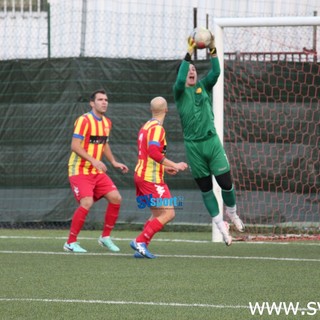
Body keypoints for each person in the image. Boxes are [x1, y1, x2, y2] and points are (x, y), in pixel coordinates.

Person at [172, 33, 245, 246]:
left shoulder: (202, 86)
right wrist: (188, 52)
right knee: (205, 188)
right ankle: (220, 224)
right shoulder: (178, 92)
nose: (192, 71)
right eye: (189, 70)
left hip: (211, 142)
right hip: (193, 147)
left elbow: (216, 71)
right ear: (183, 75)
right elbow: (179, 79)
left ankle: (232, 212)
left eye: (195, 69)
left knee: (226, 184)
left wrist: (212, 49)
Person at [64, 89, 129, 253]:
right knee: (87, 202)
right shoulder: (84, 120)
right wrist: (93, 160)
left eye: (106, 99)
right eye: (100, 99)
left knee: (116, 198)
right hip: (79, 169)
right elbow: (74, 145)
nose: (104, 102)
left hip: (96, 171)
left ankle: (105, 237)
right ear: (92, 103)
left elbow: (104, 143)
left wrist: (113, 162)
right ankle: (70, 242)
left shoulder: (107, 123)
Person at [130, 96, 188, 258]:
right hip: (151, 179)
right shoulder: (157, 128)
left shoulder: (146, 127)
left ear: (151, 110)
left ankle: (142, 248)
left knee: (157, 214)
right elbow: (154, 152)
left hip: (142, 175)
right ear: (167, 110)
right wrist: (175, 164)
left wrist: (165, 167)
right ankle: (140, 241)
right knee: (169, 213)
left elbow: (148, 155)